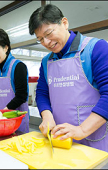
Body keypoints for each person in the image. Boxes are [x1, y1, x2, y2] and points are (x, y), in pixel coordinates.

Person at [29, 4, 108, 152]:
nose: (46, 42)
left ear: (64, 23)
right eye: (40, 39)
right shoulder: (47, 62)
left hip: (95, 143)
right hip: (61, 141)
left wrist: (82, 130)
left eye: (48, 33)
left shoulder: (96, 49)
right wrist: (47, 116)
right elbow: (42, 93)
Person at [0, 28, 30, 133]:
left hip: (16, 120)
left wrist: (2, 113)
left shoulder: (18, 66)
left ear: (5, 48)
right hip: (0, 120)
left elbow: (21, 96)